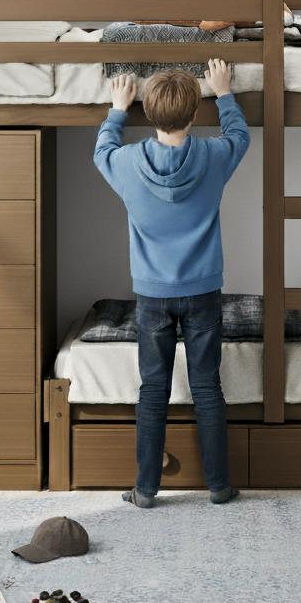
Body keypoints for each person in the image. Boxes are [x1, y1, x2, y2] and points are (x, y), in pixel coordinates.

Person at [93, 58, 250, 508]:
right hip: (202, 291)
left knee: (152, 391)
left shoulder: (125, 163)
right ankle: (219, 486)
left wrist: (117, 110)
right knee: (207, 388)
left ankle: (145, 489)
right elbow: (239, 137)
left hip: (152, 296)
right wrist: (224, 93)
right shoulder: (213, 156)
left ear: (149, 112)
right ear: (193, 114)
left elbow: (101, 152)